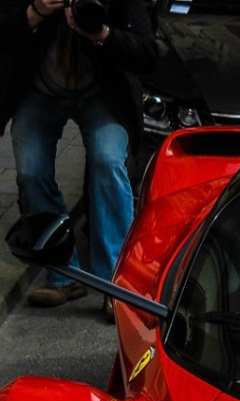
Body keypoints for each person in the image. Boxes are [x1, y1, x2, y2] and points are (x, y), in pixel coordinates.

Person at [0, 0, 156, 317]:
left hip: (102, 96)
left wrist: (102, 34)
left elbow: (148, 54)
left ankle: (116, 284)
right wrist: (35, 12)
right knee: (31, 170)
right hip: (40, 92)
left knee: (107, 161)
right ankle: (63, 275)